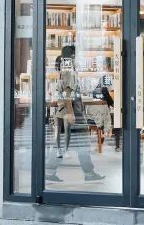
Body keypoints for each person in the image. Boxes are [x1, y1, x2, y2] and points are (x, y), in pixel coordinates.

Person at [46, 45, 104, 183]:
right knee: (82, 143)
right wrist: (71, 113)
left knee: (61, 143)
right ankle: (89, 173)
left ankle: (50, 171)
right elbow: (67, 93)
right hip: (72, 115)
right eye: (74, 55)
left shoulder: (66, 71)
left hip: (66, 114)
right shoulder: (68, 72)